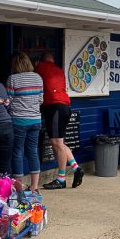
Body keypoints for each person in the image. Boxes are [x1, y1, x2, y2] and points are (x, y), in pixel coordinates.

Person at [35, 52, 84, 190]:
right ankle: (76, 168)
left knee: (57, 144)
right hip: (65, 107)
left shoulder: (40, 67)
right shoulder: (59, 70)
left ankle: (61, 179)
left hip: (54, 107)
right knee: (60, 143)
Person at [6, 52, 43, 192]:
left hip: (19, 121)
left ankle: (19, 187)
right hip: (36, 120)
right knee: (33, 151)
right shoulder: (38, 78)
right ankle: (34, 187)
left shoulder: (12, 79)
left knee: (17, 152)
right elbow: (41, 100)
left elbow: (8, 101)